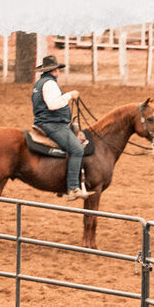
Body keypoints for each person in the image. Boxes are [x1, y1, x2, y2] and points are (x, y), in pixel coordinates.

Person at [32, 55, 91, 201]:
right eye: (57, 68)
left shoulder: (40, 83)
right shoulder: (50, 84)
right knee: (77, 149)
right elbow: (53, 105)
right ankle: (72, 188)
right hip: (52, 123)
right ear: (54, 70)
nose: (58, 70)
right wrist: (69, 95)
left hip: (45, 121)